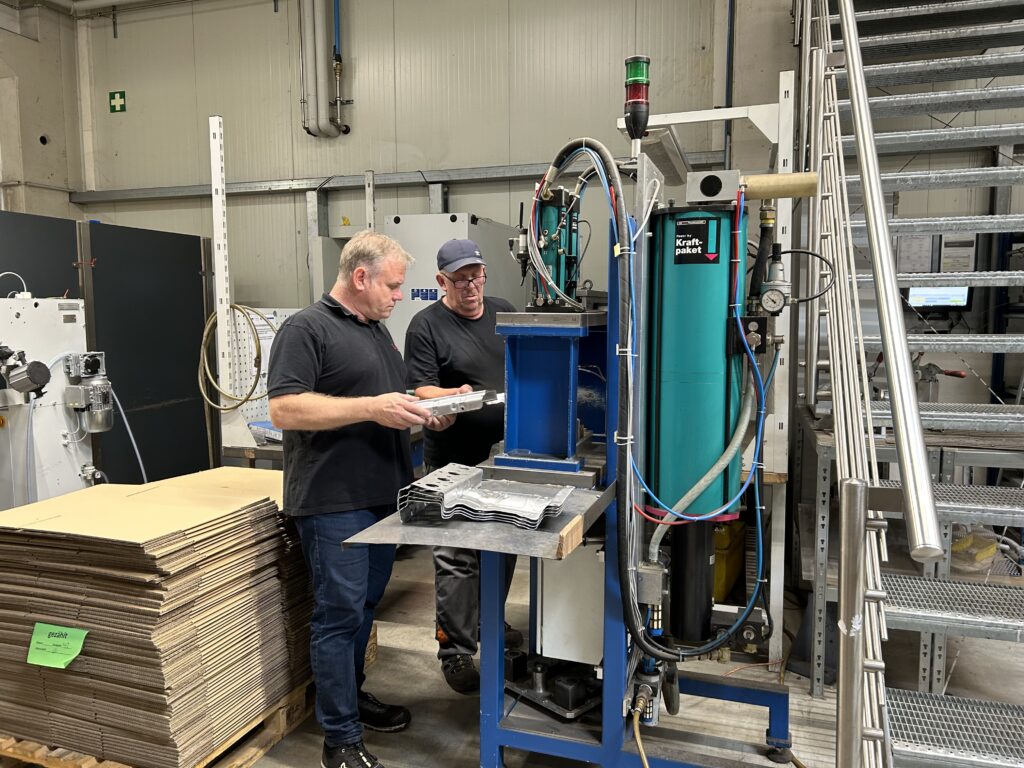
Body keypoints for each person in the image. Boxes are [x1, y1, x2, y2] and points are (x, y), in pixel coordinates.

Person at [268, 230, 454, 768]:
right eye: (393, 286)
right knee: (338, 616)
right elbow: (285, 409)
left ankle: (351, 698)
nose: (400, 296)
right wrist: (372, 407)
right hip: (333, 502)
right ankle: (340, 740)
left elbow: (388, 402)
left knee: (363, 610)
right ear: (360, 277)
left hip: (381, 499)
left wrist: (429, 414)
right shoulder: (307, 328)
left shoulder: (377, 332)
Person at [403, 238, 522, 695]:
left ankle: (490, 622)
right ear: (441, 282)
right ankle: (454, 649)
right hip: (451, 456)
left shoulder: (502, 309)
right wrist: (454, 397)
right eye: (459, 279)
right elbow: (420, 389)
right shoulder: (426, 326)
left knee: (503, 541)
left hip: (502, 453)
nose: (470, 286)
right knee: (456, 555)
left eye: (476, 276)